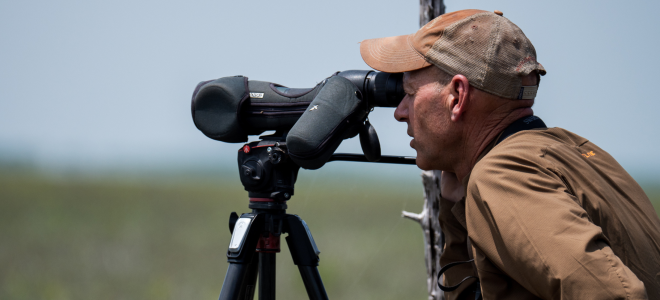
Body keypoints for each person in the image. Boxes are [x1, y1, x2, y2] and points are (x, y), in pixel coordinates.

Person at [359, 9, 660, 300]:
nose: (400, 113)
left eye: (410, 94)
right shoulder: (577, 151)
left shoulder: (502, 177)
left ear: (457, 97)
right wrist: (456, 203)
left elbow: (610, 293)